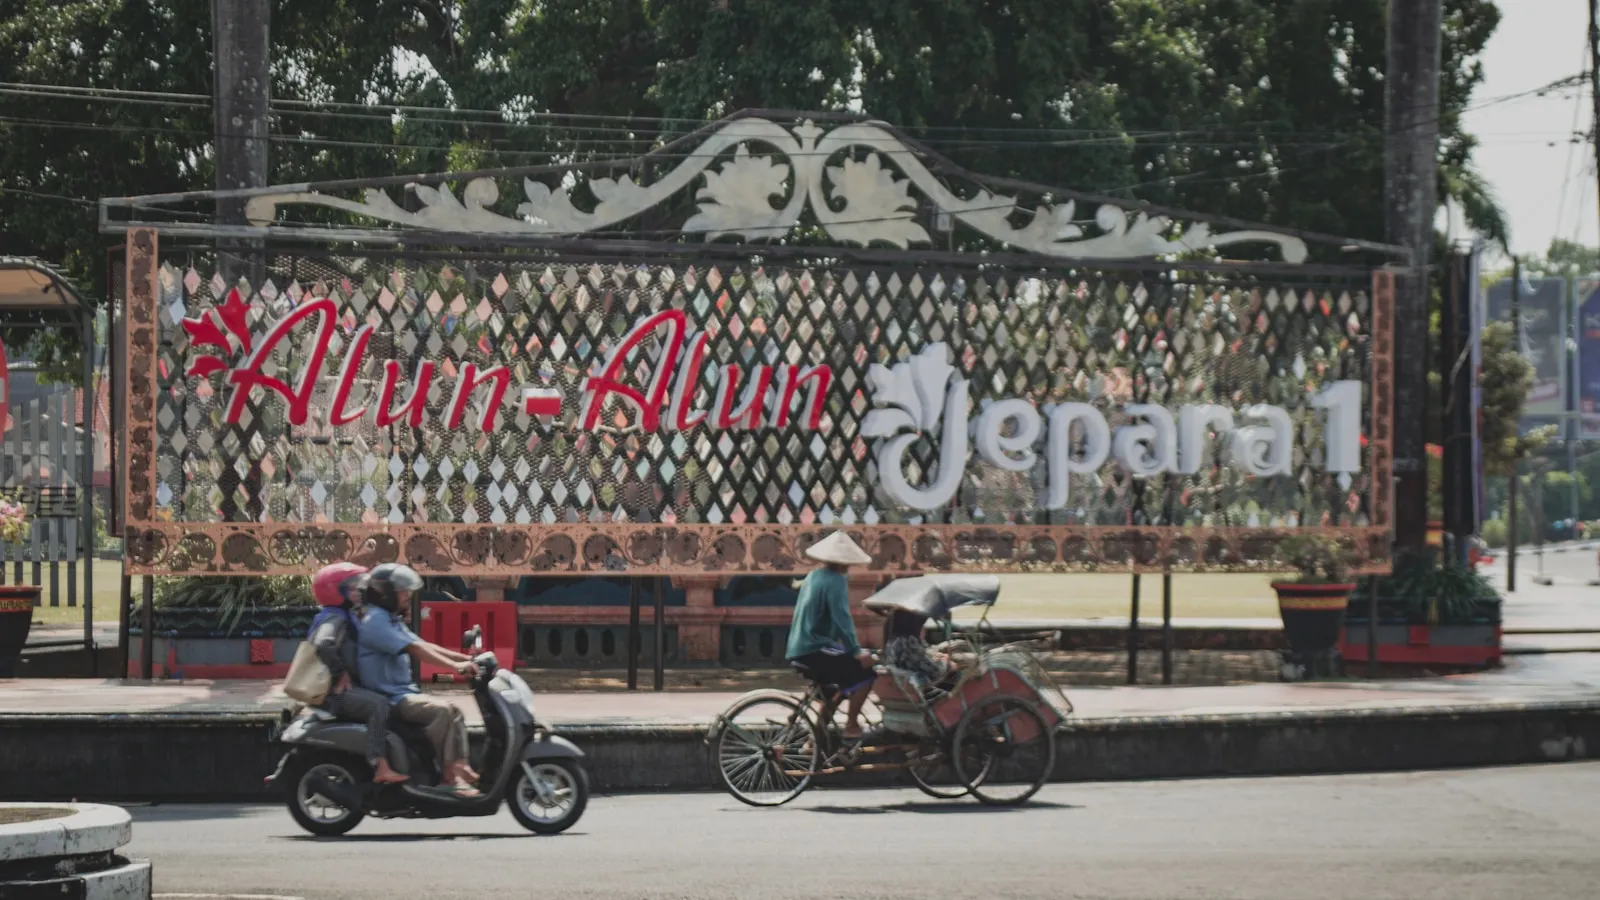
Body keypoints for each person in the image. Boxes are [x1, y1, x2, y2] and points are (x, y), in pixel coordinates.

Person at [356, 563, 484, 797]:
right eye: (402, 591)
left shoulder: (389, 618)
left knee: (454, 710)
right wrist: (456, 667)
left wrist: (465, 658)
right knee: (443, 711)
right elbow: (416, 649)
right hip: (391, 697)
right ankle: (448, 777)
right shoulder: (375, 621)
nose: (408, 595)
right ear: (386, 593)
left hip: (404, 692)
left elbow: (425, 644)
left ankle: (458, 765)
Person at [307, 562, 408, 785]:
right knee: (378, 704)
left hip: (339, 689)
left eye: (359, 587)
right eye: (352, 588)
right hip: (333, 693)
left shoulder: (348, 614)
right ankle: (380, 765)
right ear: (336, 591)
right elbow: (324, 644)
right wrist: (340, 673)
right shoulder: (334, 617)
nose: (359, 592)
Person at [785, 532, 876, 741]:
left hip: (799, 647)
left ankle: (816, 740)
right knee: (866, 673)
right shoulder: (836, 580)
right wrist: (855, 650)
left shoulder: (813, 575)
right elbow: (842, 618)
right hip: (814, 648)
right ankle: (852, 725)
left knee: (838, 688)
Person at [881, 609, 957, 696]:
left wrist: (934, 656)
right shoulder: (908, 642)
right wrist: (946, 662)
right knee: (954, 671)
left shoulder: (892, 640)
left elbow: (919, 657)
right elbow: (934, 671)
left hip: (901, 687)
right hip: (922, 691)